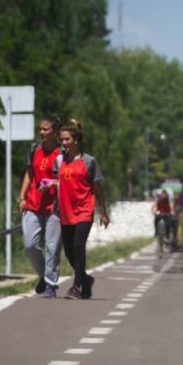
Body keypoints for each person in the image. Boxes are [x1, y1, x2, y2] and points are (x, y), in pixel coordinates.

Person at [54, 119, 110, 300]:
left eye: (67, 140)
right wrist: (48, 186)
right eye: (61, 140)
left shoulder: (89, 161)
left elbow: (98, 188)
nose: (63, 144)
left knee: (78, 246)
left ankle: (76, 286)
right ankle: (85, 280)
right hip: (65, 211)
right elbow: (59, 181)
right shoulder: (60, 161)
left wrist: (103, 211)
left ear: (75, 140)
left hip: (84, 211)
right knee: (69, 251)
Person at [18, 115, 63, 298]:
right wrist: (21, 197)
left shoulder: (62, 153)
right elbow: (29, 174)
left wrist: (51, 183)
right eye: (40, 129)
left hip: (55, 207)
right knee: (30, 245)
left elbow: (68, 179)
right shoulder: (34, 149)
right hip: (33, 204)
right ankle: (44, 276)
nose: (41, 132)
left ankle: (51, 284)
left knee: (52, 247)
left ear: (55, 132)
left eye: (45, 129)